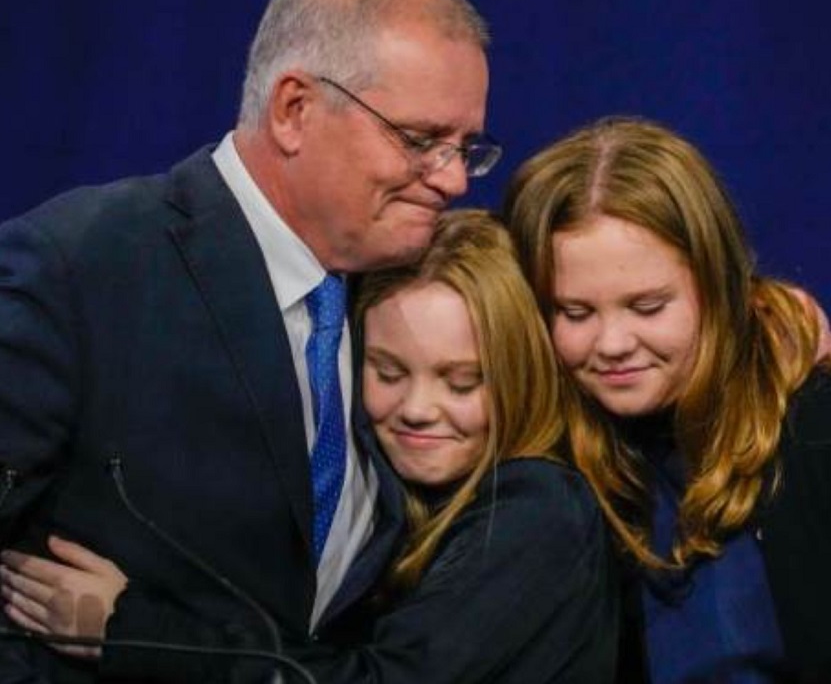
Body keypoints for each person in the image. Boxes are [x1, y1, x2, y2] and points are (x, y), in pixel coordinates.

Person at [0, 0, 501, 682]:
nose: (453, 179)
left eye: (467, 148)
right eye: (421, 140)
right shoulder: (81, 267)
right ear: (295, 109)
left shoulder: (404, 291)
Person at [502, 116, 831, 683]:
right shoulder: (557, 469)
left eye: (648, 307)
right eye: (574, 313)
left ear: (718, 287)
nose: (612, 344)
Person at [2, 210, 621, 683]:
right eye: (388, 371)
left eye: (464, 382)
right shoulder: (394, 503)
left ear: (521, 375)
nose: (417, 409)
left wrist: (129, 628)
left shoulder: (540, 511)